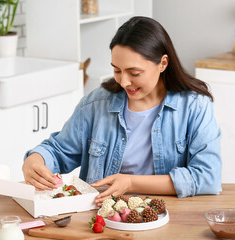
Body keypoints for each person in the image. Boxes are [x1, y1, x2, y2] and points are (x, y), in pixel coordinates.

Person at [22, 16, 222, 206]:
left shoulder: (195, 106)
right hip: (103, 216)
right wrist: (35, 159)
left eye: (134, 73)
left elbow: (207, 177)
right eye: (117, 70)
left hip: (169, 216)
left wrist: (131, 183)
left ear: (163, 63)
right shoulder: (96, 104)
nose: (124, 82)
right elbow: (58, 151)